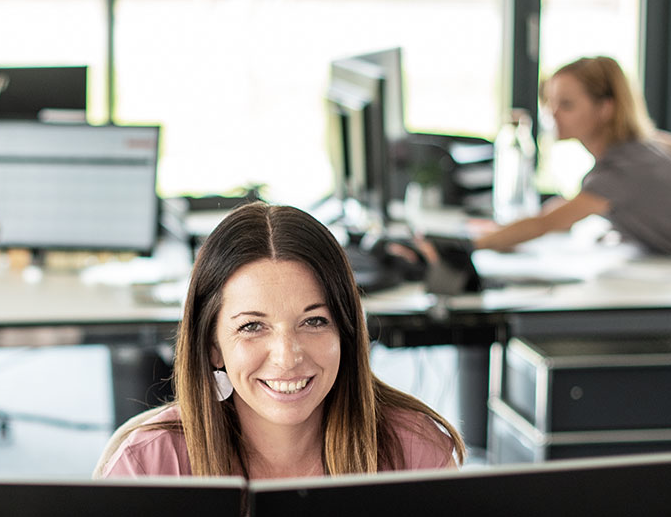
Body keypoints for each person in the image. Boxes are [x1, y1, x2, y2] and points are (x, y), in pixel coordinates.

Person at [100, 202, 464, 479]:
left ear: (347, 332)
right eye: (252, 327)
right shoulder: (146, 465)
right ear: (213, 346)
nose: (287, 357)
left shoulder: (413, 452)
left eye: (314, 321)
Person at [475, 56, 671, 256]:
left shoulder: (622, 169)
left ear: (605, 108)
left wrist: (473, 243)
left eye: (566, 105)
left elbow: (545, 224)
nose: (552, 114)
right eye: (550, 103)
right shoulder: (636, 152)